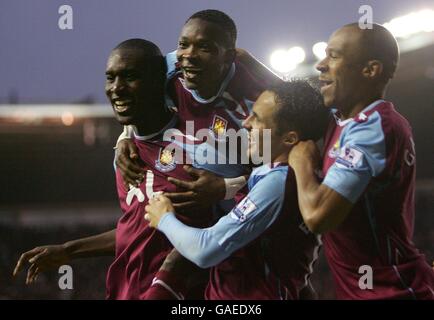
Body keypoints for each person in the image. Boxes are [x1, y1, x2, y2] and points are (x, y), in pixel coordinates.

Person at [13, 39, 212, 300]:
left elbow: (218, 226)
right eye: (110, 78)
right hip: (127, 292)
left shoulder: (199, 145)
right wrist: (68, 250)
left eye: (130, 77)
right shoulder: (125, 157)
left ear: (158, 81)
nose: (116, 88)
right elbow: (136, 231)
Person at [145, 80, 329, 299]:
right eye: (250, 114)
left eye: (258, 119)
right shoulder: (289, 174)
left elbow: (205, 250)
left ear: (290, 138)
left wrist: (164, 218)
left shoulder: (279, 183)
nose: (246, 124)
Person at [288, 23, 434, 299]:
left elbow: (318, 217)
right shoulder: (342, 119)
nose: (320, 65)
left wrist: (302, 162)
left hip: (392, 292)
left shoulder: (373, 129)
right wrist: (244, 61)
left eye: (334, 55)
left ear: (370, 70)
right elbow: (283, 98)